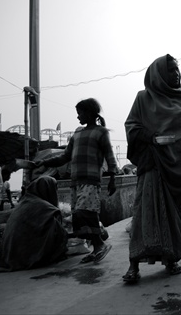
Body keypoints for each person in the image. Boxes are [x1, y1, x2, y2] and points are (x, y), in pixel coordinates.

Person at [123, 54, 181, 282]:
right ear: (158, 74)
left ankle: (171, 260)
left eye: (177, 69)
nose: (176, 73)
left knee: (174, 218)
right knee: (143, 216)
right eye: (170, 70)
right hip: (152, 166)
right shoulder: (143, 99)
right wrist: (151, 137)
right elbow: (131, 126)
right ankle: (133, 266)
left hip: (180, 170)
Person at [33, 98, 117, 265]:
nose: (78, 117)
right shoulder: (77, 134)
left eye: (80, 113)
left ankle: (100, 244)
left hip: (91, 180)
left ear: (89, 113)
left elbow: (109, 156)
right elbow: (65, 157)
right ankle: (96, 247)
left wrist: (112, 178)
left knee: (85, 212)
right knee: (79, 217)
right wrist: (45, 162)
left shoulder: (101, 132)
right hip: (75, 181)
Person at [0, 176, 68, 271]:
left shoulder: (26, 202)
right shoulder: (43, 206)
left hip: (9, 252)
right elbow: (58, 231)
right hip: (23, 255)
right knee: (59, 230)